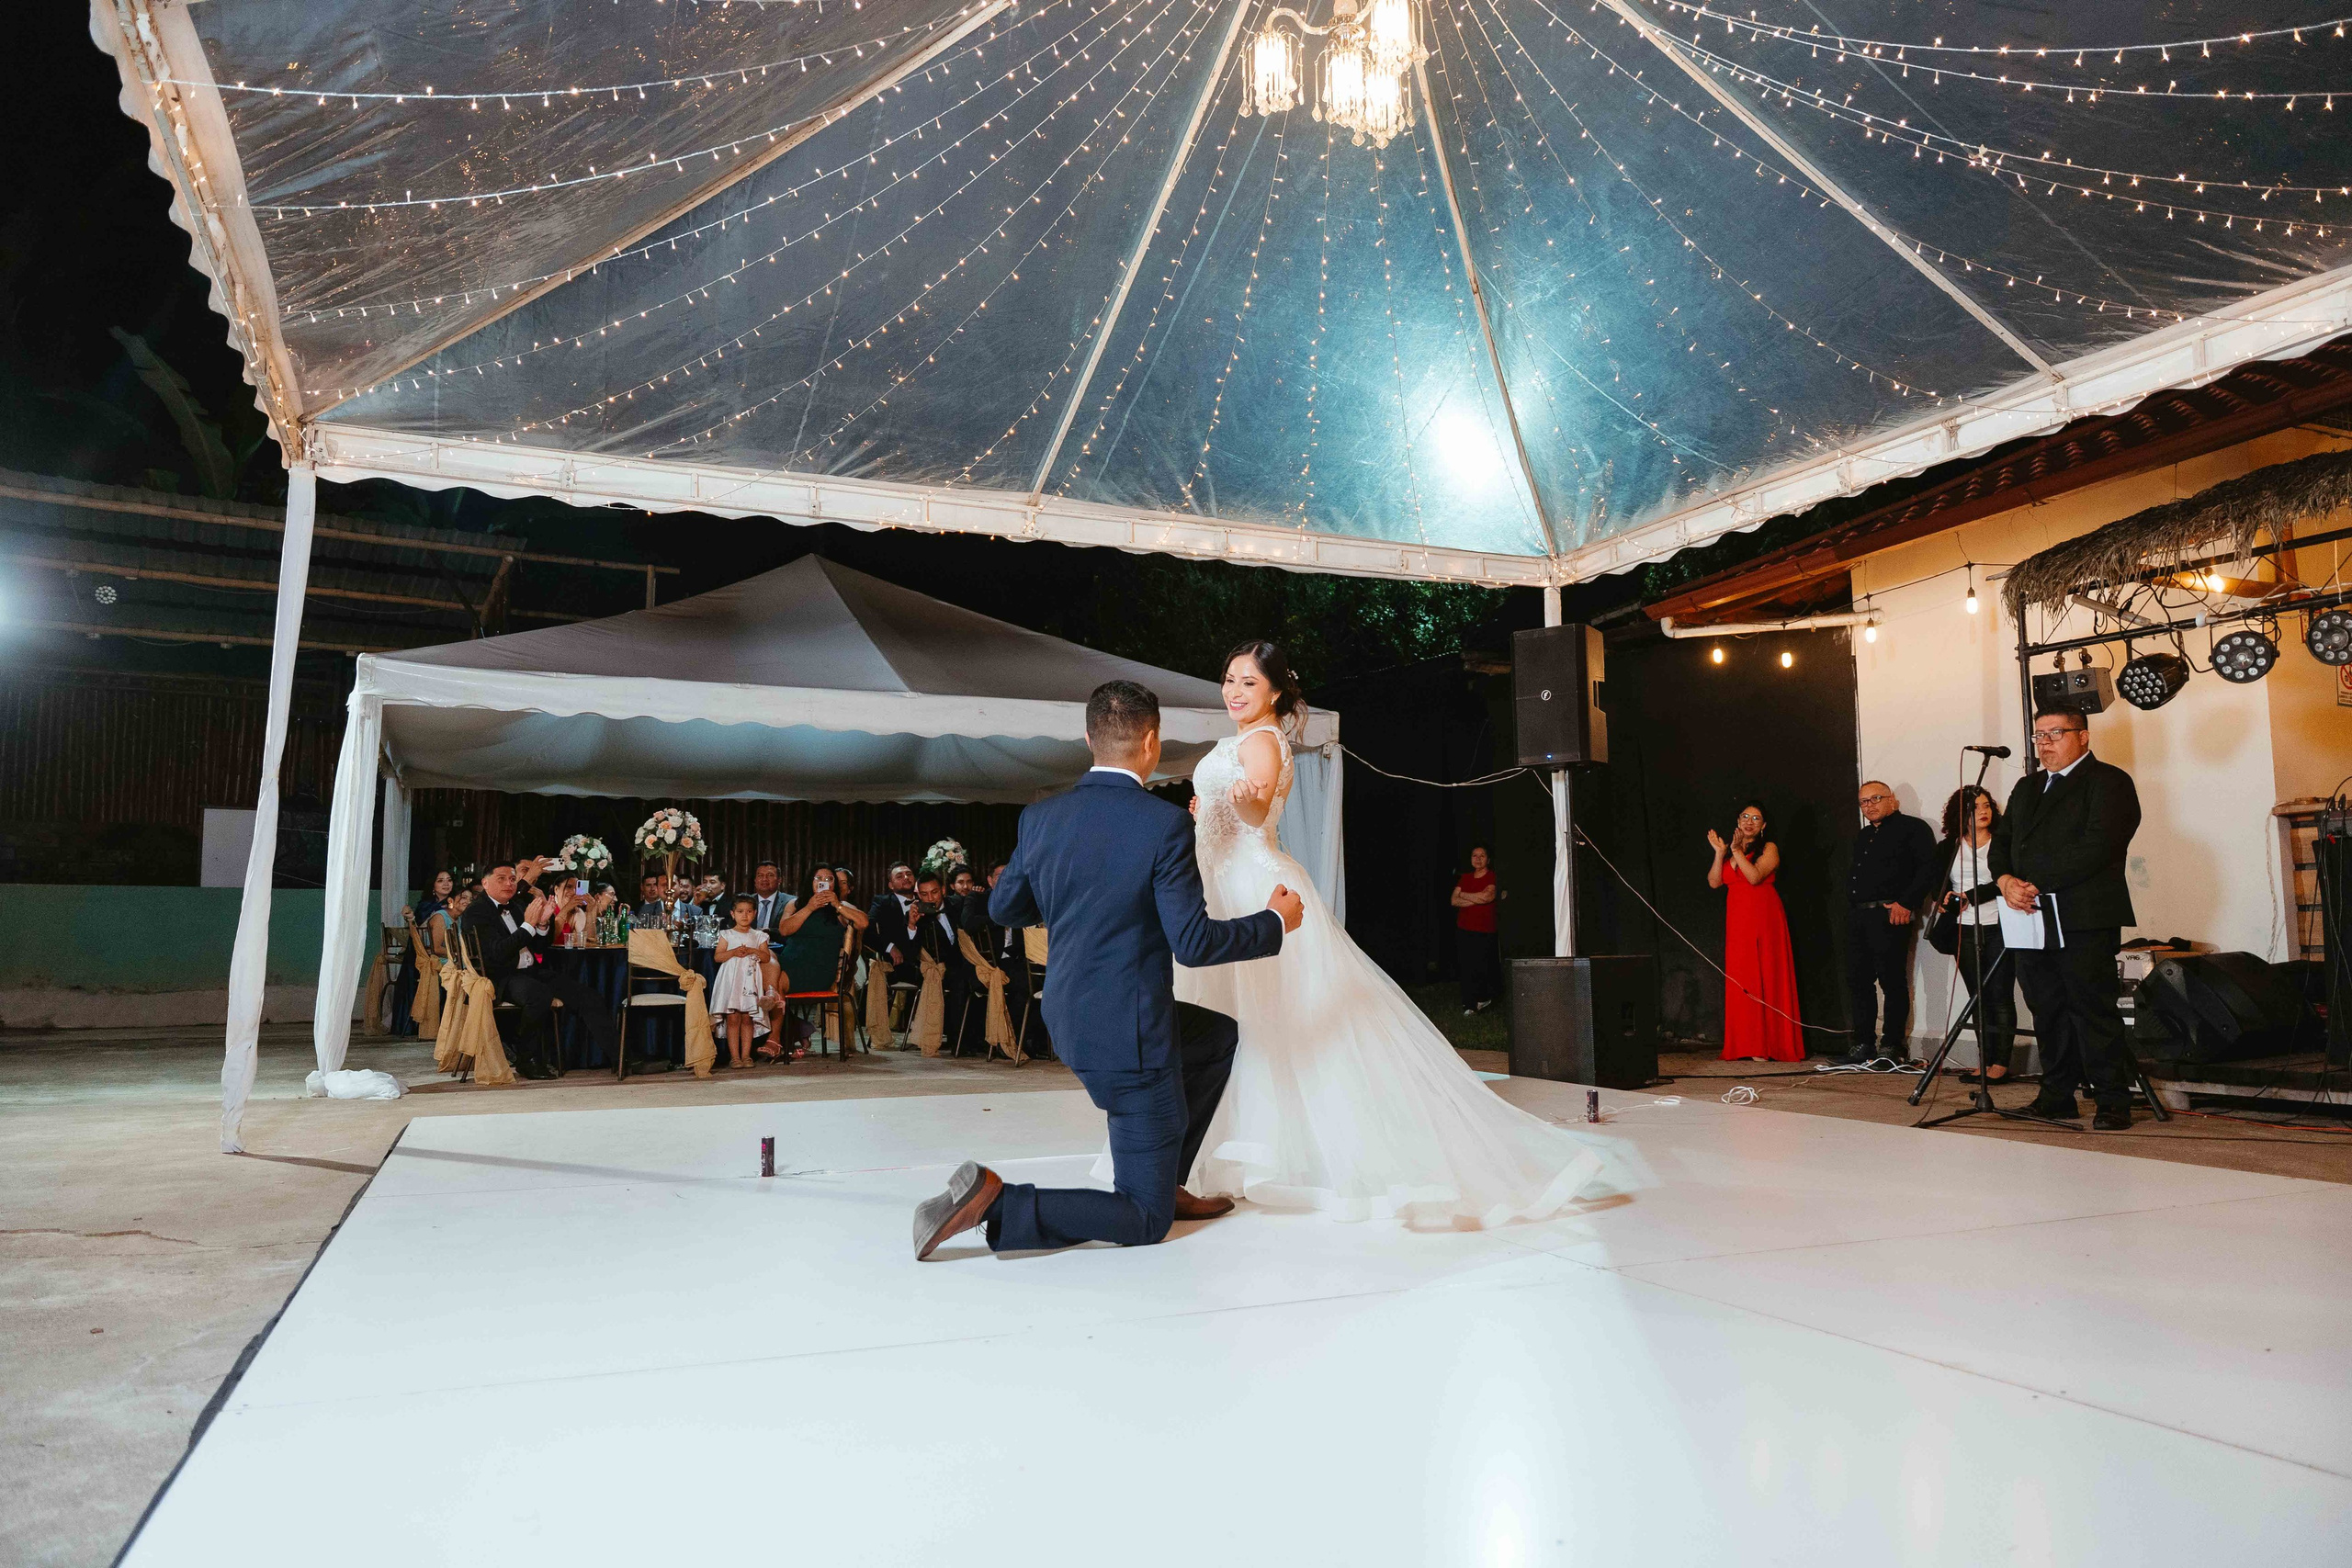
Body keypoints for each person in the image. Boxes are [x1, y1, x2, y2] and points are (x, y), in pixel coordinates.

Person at [1182, 640, 1605, 1225]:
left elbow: (1255, 813)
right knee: (1250, 1021)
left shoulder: (1261, 740)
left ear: (1275, 692)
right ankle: (1240, 1153)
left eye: (1248, 683)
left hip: (1253, 886)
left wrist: (1240, 803)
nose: (1233, 691)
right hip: (1222, 882)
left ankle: (1269, 1155)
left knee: (1272, 1021)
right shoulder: (1240, 739)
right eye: (1228, 679)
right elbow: (1229, 814)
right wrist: (1209, 814)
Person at [913, 680, 1303, 1259]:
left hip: (1069, 1016)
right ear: (1151, 742)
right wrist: (1273, 921)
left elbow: (1003, 908)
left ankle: (1166, 1178)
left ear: (1089, 738)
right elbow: (1192, 944)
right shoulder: (1164, 825)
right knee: (1144, 1220)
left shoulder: (1041, 819)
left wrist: (1072, 894)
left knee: (1216, 1036)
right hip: (1130, 1037)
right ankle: (999, 1203)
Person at [1993, 709, 2143, 1129]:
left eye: (2055, 733)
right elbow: (2001, 843)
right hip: (2029, 916)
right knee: (2046, 1009)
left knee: (2092, 1009)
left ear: (2084, 737)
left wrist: (2035, 881)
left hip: (2082, 916)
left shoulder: (2109, 781)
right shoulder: (2027, 787)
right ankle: (2056, 1095)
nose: (2045, 743)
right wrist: (2005, 880)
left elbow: (2099, 845)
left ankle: (2113, 1101)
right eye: (2039, 735)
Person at [463, 862, 623, 1079]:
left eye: (512, 879)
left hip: (529, 971)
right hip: (500, 976)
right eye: (501, 878)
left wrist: (542, 924)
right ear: (485, 882)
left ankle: (620, 1057)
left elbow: (539, 946)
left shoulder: (517, 906)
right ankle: (526, 1060)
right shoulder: (477, 912)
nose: (509, 884)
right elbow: (498, 954)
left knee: (587, 995)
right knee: (539, 995)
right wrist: (528, 925)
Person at [1838, 780, 1938, 1066]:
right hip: (1859, 915)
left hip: (1890, 915)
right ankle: (1862, 1044)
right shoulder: (1863, 835)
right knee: (1858, 981)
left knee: (1892, 981)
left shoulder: (1914, 828)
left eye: (1875, 798)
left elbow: (1928, 869)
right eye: (1864, 802)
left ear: (1892, 800)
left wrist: (1907, 903)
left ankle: (1893, 1046)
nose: (1869, 806)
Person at [1931, 784, 2018, 1085]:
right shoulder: (1949, 847)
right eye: (1976, 807)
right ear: (1961, 814)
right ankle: (1985, 1060)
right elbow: (1936, 880)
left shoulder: (2002, 843)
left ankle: (2001, 1064)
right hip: (1963, 929)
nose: (1983, 811)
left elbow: (2004, 881)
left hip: (2000, 926)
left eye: (1986, 805)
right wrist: (1941, 899)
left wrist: (1972, 895)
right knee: (1977, 998)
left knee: (2000, 996)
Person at [1708, 800, 1804, 1062]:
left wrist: (1738, 851)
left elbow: (1754, 877)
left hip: (1764, 918)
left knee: (1765, 974)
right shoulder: (1731, 852)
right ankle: (1747, 1043)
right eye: (1745, 816)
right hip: (1738, 920)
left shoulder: (1769, 848)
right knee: (1743, 977)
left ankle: (1768, 1044)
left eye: (1756, 818)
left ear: (1764, 825)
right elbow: (1715, 882)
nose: (1749, 821)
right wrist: (1720, 853)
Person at [765, 863, 868, 1061]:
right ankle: (788, 1032)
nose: (824, 883)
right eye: (818, 879)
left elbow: (863, 923)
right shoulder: (795, 904)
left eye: (829, 879)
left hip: (818, 968)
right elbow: (785, 930)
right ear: (810, 883)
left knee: (772, 982)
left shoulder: (841, 908)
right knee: (765, 961)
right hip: (791, 960)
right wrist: (810, 907)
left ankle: (777, 1036)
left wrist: (837, 904)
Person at [709, 895, 775, 1070]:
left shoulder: (759, 936)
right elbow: (718, 956)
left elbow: (766, 957)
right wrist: (733, 952)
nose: (744, 915)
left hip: (749, 981)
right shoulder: (727, 934)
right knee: (733, 1018)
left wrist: (752, 950)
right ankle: (734, 1057)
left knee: (747, 1019)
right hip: (732, 981)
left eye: (749, 911)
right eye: (740, 911)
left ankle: (746, 1055)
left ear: (754, 914)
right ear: (732, 913)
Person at [1451, 846, 1501, 1015]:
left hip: (1485, 930)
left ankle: (1483, 998)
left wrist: (1465, 895)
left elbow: (1488, 896)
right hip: (1464, 929)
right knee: (1466, 967)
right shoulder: (1465, 878)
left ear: (1488, 859)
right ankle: (1469, 1005)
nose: (1478, 859)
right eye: (1474, 855)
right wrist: (1477, 898)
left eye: (1482, 855)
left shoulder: (1492, 876)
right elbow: (1454, 901)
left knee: (1482, 967)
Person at [747, 860, 795, 938]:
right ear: (755, 880)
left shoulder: (790, 902)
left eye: (770, 875)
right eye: (760, 876)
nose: (764, 879)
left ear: (779, 880)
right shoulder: (745, 901)